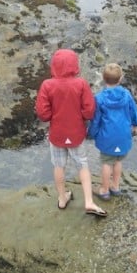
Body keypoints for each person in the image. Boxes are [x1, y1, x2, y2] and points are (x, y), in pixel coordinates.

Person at [35, 49, 108, 217]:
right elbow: (89, 111)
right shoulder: (81, 83)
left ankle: (62, 198)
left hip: (57, 134)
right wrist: (80, 116)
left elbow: (43, 114)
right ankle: (89, 201)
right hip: (76, 132)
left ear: (54, 66)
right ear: (75, 65)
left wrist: (53, 115)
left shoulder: (47, 85)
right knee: (82, 165)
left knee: (59, 165)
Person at [88, 63, 137, 199]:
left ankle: (104, 190)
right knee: (118, 161)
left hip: (107, 137)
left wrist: (91, 133)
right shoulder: (126, 94)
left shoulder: (99, 98)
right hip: (123, 135)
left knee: (107, 162)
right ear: (121, 78)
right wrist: (136, 124)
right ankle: (116, 186)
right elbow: (134, 111)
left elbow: (96, 120)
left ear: (103, 78)